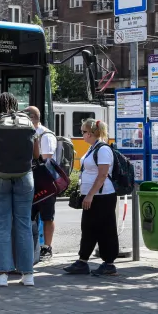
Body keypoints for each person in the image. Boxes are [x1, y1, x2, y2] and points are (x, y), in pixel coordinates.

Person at [0, 93, 38, 287]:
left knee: (2, 224)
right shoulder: (27, 121)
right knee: (24, 224)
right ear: (16, 105)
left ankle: (2, 275)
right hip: (25, 176)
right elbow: (36, 153)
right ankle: (28, 275)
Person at [63, 118, 118, 276]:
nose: (82, 135)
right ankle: (82, 261)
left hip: (103, 196)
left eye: (84, 132)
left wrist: (90, 195)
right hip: (92, 196)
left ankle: (109, 263)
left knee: (105, 230)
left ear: (92, 133)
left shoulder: (103, 150)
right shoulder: (93, 149)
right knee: (88, 228)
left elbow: (102, 175)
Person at [25, 106, 58, 261]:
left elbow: (46, 158)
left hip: (45, 183)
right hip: (32, 181)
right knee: (29, 215)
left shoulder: (46, 135)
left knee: (47, 216)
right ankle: (33, 246)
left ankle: (47, 247)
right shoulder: (28, 132)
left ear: (31, 118)